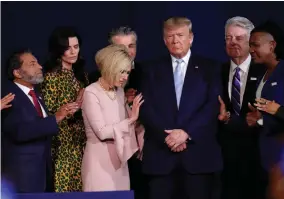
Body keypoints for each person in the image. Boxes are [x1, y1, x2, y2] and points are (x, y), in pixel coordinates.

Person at [139, 17, 222, 199]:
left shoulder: (210, 68)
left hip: (198, 159)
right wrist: (168, 137)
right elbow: (146, 108)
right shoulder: (150, 70)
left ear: (191, 37)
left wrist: (186, 133)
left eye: (180, 35)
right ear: (164, 40)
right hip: (161, 157)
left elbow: (212, 106)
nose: (175, 41)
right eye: (170, 36)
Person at [1, 49, 78, 193]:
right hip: (22, 179)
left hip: (42, 177)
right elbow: (19, 131)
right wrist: (55, 118)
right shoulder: (9, 97)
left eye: (37, 62)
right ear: (17, 73)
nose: (40, 66)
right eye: (32, 64)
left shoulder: (37, 96)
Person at [81, 44, 144, 191]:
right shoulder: (91, 92)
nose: (125, 77)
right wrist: (131, 119)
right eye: (121, 72)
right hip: (98, 163)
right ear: (110, 68)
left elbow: (127, 124)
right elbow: (102, 132)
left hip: (120, 160)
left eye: (128, 73)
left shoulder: (120, 92)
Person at [217, 16, 266, 199]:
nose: (233, 42)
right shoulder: (215, 72)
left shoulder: (264, 72)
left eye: (239, 38)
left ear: (250, 42)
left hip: (257, 158)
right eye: (228, 38)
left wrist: (260, 119)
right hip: (224, 160)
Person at [247, 20, 284, 194]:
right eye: (249, 45)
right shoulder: (260, 73)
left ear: (272, 45)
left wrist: (278, 111)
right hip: (267, 157)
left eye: (255, 45)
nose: (251, 50)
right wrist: (259, 119)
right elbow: (266, 116)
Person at [40, 27, 88, 192]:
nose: (73, 51)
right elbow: (47, 115)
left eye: (76, 46)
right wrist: (74, 107)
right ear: (58, 50)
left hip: (82, 145)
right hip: (62, 148)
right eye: (68, 48)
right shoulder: (52, 77)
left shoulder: (81, 75)